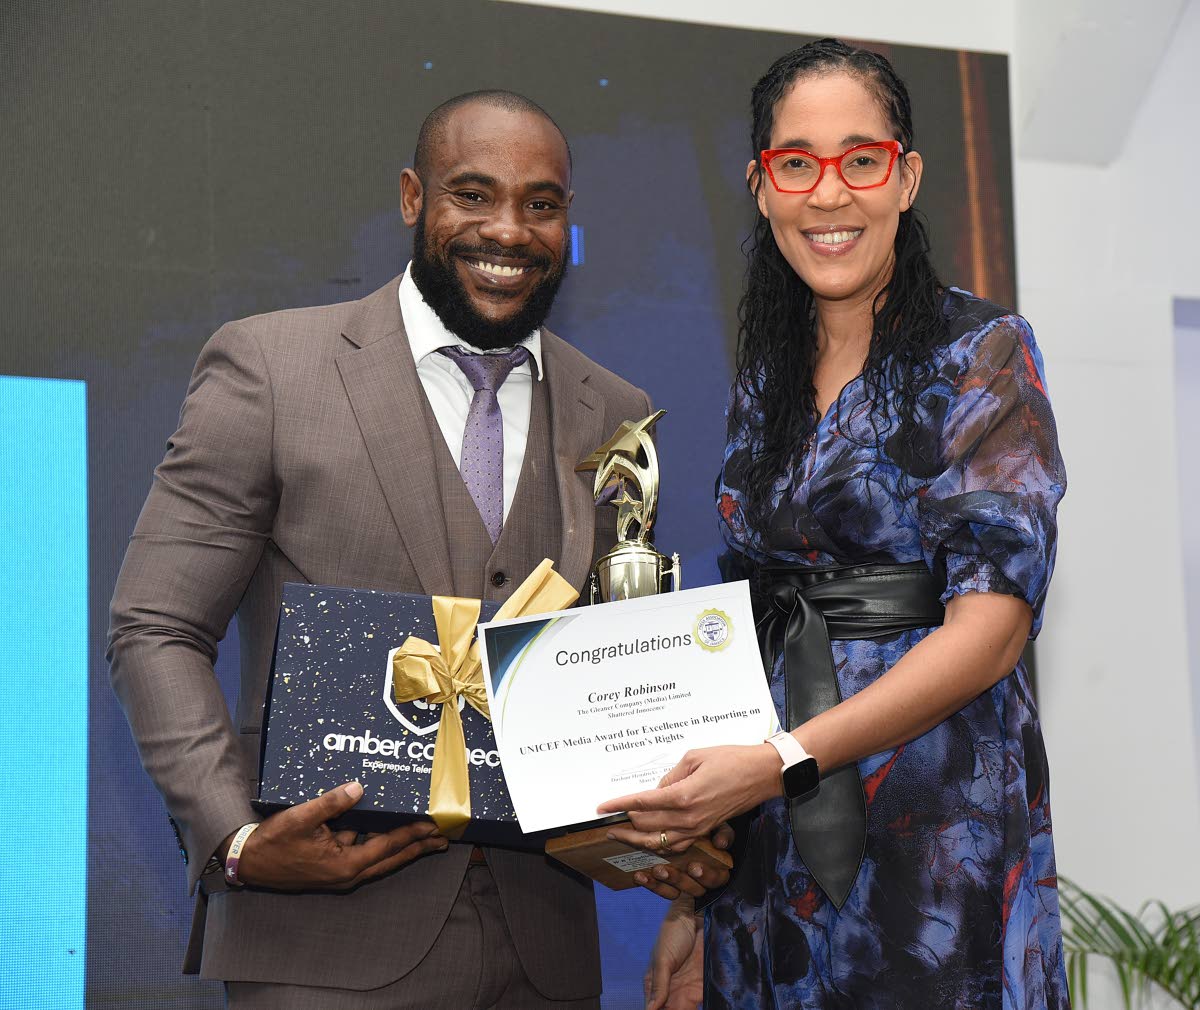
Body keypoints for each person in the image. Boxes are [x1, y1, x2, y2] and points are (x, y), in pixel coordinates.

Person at [108, 89, 724, 1010]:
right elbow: (154, 625)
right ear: (412, 198)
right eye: (473, 195)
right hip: (319, 949)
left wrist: (673, 852)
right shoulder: (273, 368)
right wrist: (236, 838)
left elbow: (611, 680)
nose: (509, 231)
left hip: (545, 961)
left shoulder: (618, 412)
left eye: (541, 204)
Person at [599, 41, 1069, 1010]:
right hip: (762, 841)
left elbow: (991, 631)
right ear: (760, 187)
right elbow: (746, 623)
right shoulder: (767, 378)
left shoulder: (980, 351)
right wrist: (692, 899)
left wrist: (778, 761)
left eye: (861, 159)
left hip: (933, 839)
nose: (829, 193)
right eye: (796, 163)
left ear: (906, 178)